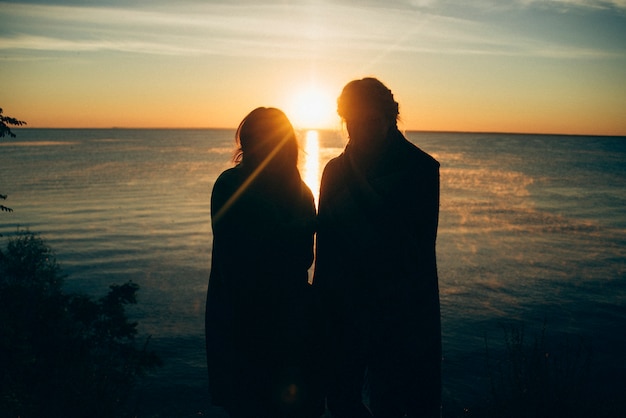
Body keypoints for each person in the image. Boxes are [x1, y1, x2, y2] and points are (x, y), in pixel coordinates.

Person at [314, 78, 442, 417]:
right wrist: (321, 312)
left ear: (390, 119)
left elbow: (418, 251)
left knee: (398, 404)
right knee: (341, 401)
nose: (362, 130)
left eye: (372, 121)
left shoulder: (420, 171)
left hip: (399, 314)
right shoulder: (335, 171)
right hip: (343, 310)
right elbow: (324, 249)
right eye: (353, 121)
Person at [205, 107, 323, 418]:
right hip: (246, 318)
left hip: (282, 320)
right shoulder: (232, 186)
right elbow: (244, 251)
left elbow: (300, 256)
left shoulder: (299, 191)